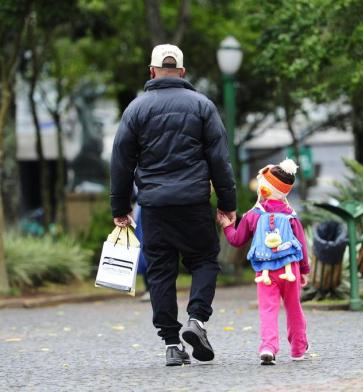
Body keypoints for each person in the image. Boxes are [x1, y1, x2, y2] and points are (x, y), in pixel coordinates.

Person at [110, 44, 236, 366]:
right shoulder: (202, 106)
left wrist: (120, 208)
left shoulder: (136, 109)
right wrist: (227, 203)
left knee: (160, 272)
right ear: (182, 72)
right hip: (193, 202)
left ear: (151, 71)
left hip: (153, 206)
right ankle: (197, 320)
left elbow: (121, 162)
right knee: (205, 259)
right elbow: (220, 160)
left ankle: (170, 344)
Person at [217, 159, 310, 365]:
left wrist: (226, 225)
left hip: (265, 271)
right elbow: (301, 245)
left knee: (268, 309)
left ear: (263, 189)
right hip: (290, 269)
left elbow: (236, 240)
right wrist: (304, 270)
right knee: (294, 307)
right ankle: (298, 348)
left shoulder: (253, 215)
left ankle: (268, 347)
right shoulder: (292, 216)